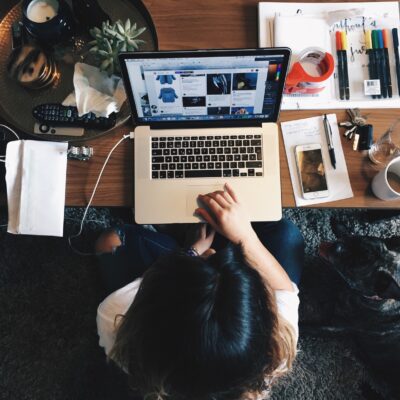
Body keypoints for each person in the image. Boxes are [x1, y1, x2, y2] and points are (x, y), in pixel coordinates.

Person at [96, 183, 304, 400]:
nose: (213, 252)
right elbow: (284, 289)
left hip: (182, 260)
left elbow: (151, 280)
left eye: (210, 256)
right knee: (286, 235)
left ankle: (182, 235)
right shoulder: (275, 346)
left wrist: (192, 251)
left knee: (110, 241)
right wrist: (245, 235)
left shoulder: (118, 320)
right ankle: (209, 232)